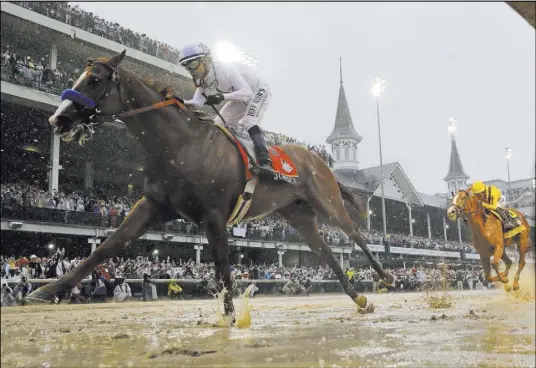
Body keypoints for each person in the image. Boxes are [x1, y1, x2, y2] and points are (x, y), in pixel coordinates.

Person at [176, 43, 275, 176]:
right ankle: (228, 159)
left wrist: (222, 96)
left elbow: (248, 93)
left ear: (205, 61)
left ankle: (265, 161)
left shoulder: (224, 69)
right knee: (217, 125)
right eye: (187, 67)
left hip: (257, 90)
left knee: (249, 121)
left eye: (193, 65)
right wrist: (178, 101)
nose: (191, 70)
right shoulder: (201, 80)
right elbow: (197, 103)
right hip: (241, 96)